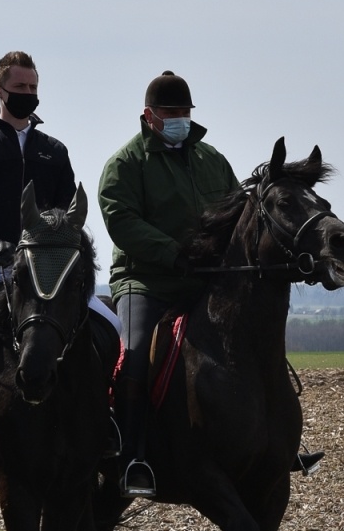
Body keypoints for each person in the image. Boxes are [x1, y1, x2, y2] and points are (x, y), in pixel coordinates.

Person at [0, 51, 122, 450]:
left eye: (33, 88)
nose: (28, 94)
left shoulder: (54, 150)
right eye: (19, 88)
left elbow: (67, 209)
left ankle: (107, 417)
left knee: (112, 326)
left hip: (43, 265)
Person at [97, 71, 241, 497]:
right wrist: (175, 252)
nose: (179, 119)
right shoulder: (125, 164)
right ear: (149, 115)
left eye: (184, 112)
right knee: (137, 353)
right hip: (145, 279)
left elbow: (235, 212)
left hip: (203, 280)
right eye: (170, 112)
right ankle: (131, 457)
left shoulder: (212, 159)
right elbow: (121, 222)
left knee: (250, 337)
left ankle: (276, 441)